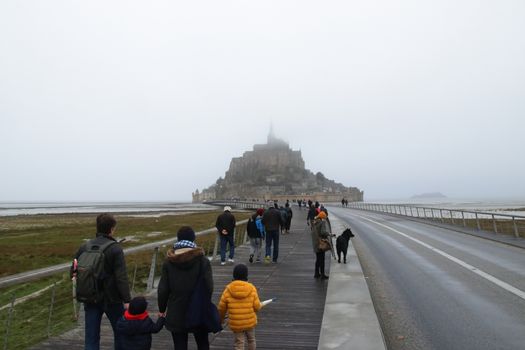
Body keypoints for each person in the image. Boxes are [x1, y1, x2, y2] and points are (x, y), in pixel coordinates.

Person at [72, 213, 131, 350]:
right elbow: (121, 277)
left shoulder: (84, 247)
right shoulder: (115, 248)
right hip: (113, 299)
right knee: (121, 333)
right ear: (111, 229)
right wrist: (127, 300)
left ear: (97, 227)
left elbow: (73, 271)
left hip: (90, 297)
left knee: (91, 338)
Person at [158, 226, 213, 350]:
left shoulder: (168, 262)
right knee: (203, 344)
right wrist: (205, 303)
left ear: (178, 239)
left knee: (180, 345)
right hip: (199, 309)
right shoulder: (202, 260)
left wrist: (162, 309)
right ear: (193, 239)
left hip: (176, 310)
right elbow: (209, 287)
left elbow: (163, 290)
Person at [218, 264, 262, 350]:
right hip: (250, 321)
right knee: (251, 340)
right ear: (246, 275)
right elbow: (257, 307)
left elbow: (221, 308)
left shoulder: (228, 289)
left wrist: (221, 319)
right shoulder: (251, 288)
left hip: (236, 323)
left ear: (234, 275)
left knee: (239, 342)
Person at [311, 211, 330, 280]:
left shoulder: (314, 222)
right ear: (323, 217)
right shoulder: (322, 223)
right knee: (322, 259)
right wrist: (328, 234)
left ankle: (316, 273)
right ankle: (322, 274)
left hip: (315, 243)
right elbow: (323, 232)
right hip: (320, 243)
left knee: (318, 259)